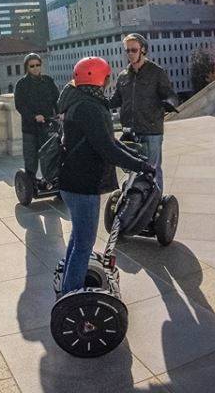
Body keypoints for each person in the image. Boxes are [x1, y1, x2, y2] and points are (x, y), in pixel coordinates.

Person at [56, 57, 154, 295]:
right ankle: (71, 295)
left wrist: (136, 158)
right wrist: (139, 165)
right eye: (107, 76)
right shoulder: (90, 107)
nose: (109, 80)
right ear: (99, 78)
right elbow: (107, 148)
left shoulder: (79, 100)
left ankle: (67, 286)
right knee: (84, 244)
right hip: (83, 184)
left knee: (78, 238)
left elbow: (108, 142)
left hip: (72, 181)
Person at [109, 33, 176, 191]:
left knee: (152, 169)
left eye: (134, 50)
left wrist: (169, 103)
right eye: (128, 50)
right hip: (130, 131)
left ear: (143, 50)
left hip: (151, 130)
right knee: (133, 169)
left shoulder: (156, 72)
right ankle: (137, 203)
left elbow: (170, 94)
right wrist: (97, 102)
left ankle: (157, 204)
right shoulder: (123, 76)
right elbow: (115, 100)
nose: (130, 54)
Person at [13, 53, 59, 181]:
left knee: (49, 156)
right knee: (31, 158)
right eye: (32, 66)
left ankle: (51, 179)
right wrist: (34, 116)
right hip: (30, 128)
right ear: (27, 67)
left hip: (48, 125)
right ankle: (31, 183)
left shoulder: (48, 81)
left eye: (38, 65)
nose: (35, 68)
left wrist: (60, 112)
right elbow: (20, 105)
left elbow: (56, 99)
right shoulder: (21, 84)